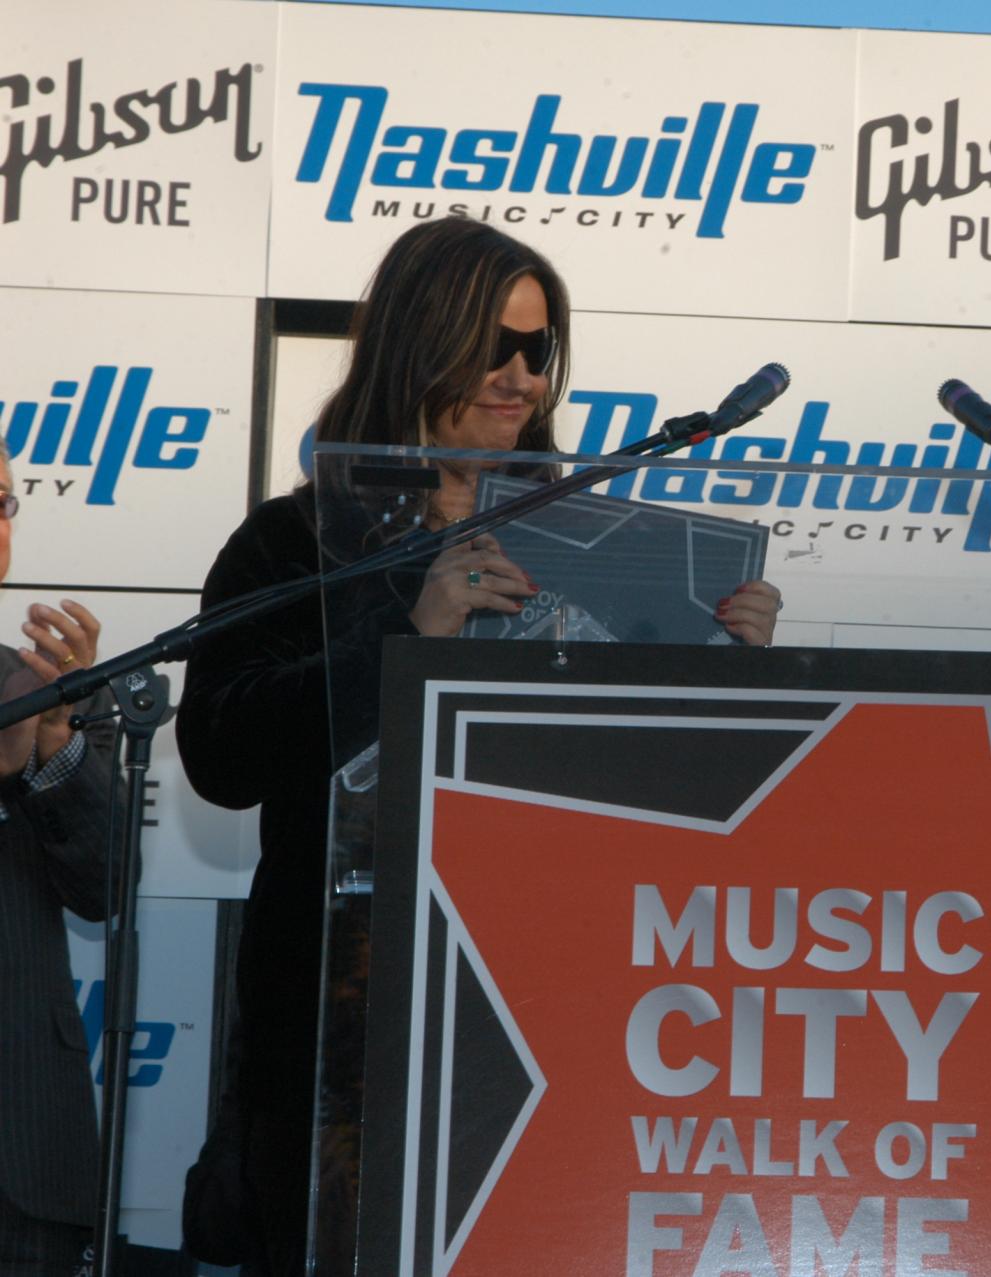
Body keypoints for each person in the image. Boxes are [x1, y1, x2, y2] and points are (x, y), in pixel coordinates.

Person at [175, 217, 779, 1276]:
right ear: (417, 341)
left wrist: (728, 667)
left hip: (559, 1016)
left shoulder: (606, 545)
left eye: (539, 350)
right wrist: (416, 634)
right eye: (493, 345)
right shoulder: (294, 539)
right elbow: (221, 754)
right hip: (348, 1039)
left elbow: (681, 802)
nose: (519, 377)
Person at [0, 444, 113, 1277]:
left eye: (3, 502)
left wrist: (53, 749)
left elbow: (103, 888)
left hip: (23, 1147)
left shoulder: (46, 685)